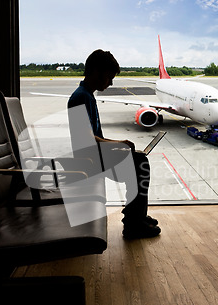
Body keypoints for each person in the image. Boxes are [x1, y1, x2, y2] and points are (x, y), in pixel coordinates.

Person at [67, 49, 161, 239]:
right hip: (89, 160)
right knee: (140, 163)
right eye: (109, 77)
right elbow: (87, 141)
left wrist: (118, 144)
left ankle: (136, 217)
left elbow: (91, 137)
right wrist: (118, 144)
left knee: (138, 159)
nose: (110, 83)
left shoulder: (86, 94)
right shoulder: (81, 97)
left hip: (94, 155)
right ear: (96, 72)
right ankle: (134, 223)